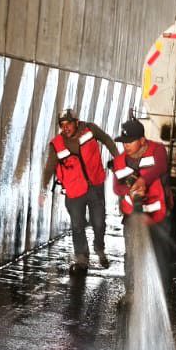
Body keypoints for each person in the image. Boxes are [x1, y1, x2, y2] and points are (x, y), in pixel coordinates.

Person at [109, 116, 175, 291]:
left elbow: (160, 166)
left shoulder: (158, 151)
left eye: (130, 141)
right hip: (133, 216)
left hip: (158, 216)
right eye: (124, 142)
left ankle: (160, 293)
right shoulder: (119, 162)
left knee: (159, 256)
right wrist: (129, 190)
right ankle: (131, 292)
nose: (126, 146)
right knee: (132, 255)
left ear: (142, 140)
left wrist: (143, 181)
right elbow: (116, 187)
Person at [50, 108, 110, 272]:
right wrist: (43, 188)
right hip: (75, 190)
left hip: (95, 185)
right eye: (62, 125)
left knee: (98, 223)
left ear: (76, 122)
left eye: (68, 123)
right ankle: (82, 259)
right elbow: (49, 166)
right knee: (77, 225)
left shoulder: (90, 129)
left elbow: (107, 140)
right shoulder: (57, 143)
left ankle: (99, 246)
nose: (65, 128)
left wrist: (118, 159)